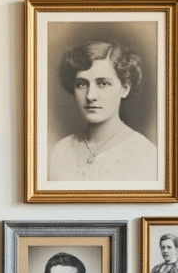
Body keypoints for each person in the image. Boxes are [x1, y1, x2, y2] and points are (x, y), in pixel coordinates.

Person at [49, 40, 157, 181]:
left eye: (103, 83)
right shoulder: (60, 151)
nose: (90, 96)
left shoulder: (147, 155)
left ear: (125, 88)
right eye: (82, 84)